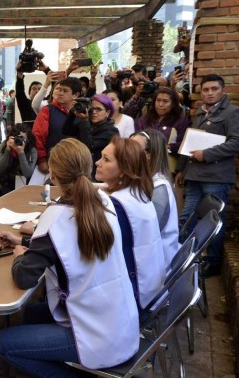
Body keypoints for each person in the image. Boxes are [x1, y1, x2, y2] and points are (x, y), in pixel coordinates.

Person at [0, 138, 139, 377]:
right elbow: (71, 246)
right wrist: (24, 242)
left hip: (94, 336)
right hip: (121, 324)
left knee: (4, 343)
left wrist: (20, 255)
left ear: (52, 175)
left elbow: (24, 277)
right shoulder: (103, 202)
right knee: (30, 314)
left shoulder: (56, 218)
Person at [175, 74, 239, 277]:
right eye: (205, 90)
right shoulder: (200, 113)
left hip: (216, 177)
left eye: (214, 89)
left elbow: (235, 143)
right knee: (187, 218)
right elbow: (190, 142)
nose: (209, 93)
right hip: (194, 175)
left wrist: (207, 154)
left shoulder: (232, 112)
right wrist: (182, 170)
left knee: (213, 220)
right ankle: (181, 259)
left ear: (223, 91)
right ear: (200, 92)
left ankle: (212, 261)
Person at [95, 136, 165, 313]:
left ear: (123, 171)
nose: (97, 163)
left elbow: (89, 248)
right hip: (146, 288)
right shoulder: (136, 192)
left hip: (127, 299)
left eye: (106, 159)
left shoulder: (118, 205)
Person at [130, 130, 179, 267]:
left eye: (134, 148)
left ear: (150, 155)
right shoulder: (145, 180)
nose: (127, 152)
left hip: (156, 264)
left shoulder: (158, 188)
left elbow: (146, 232)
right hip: (146, 255)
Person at [33, 77, 82, 175]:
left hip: (75, 165)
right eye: (59, 89)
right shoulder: (47, 110)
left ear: (75, 95)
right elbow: (38, 136)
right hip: (52, 164)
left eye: (65, 91)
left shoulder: (81, 113)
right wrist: (41, 160)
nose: (60, 93)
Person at [61, 93, 119, 177]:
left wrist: (85, 120)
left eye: (98, 109)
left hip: (97, 173)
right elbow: (66, 131)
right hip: (80, 170)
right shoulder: (87, 123)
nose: (94, 112)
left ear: (108, 112)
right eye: (92, 109)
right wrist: (72, 113)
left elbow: (90, 145)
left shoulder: (111, 131)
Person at [136, 87, 190, 169]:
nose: (161, 104)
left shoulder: (181, 121)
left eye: (165, 101)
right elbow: (136, 140)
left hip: (168, 166)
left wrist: (168, 147)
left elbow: (184, 144)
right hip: (144, 165)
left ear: (172, 104)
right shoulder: (144, 119)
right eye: (158, 100)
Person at [0, 123, 37, 200]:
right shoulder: (5, 146)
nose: (19, 141)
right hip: (3, 192)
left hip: (22, 194)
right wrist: (7, 150)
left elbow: (27, 173)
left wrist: (20, 152)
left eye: (23, 139)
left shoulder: (31, 150)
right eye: (17, 138)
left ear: (28, 140)